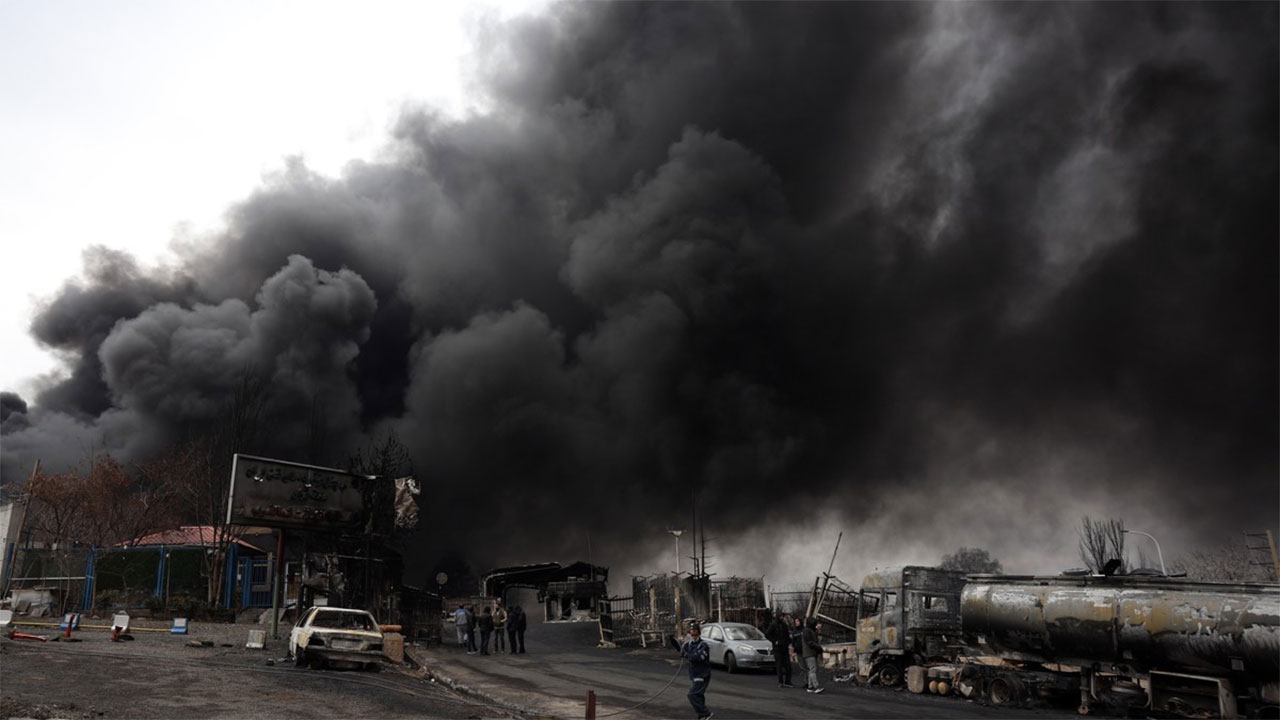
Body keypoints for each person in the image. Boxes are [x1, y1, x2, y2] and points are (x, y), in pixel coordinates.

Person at [680, 622, 713, 720]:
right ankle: (702, 716)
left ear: (698, 632)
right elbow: (681, 652)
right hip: (694, 674)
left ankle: (706, 713)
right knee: (699, 695)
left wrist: (687, 655)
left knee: (692, 695)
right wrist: (681, 646)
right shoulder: (689, 644)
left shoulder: (703, 645)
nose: (693, 633)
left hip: (703, 674)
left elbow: (699, 657)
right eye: (691, 631)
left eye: (694, 631)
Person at [765, 611, 794, 688]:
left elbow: (787, 636)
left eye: (783, 616)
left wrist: (789, 641)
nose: (782, 618)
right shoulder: (773, 625)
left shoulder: (784, 625)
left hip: (784, 647)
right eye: (781, 616)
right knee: (779, 665)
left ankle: (788, 681)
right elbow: (767, 634)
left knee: (788, 666)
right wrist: (774, 641)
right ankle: (780, 681)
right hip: (777, 648)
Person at [802, 616, 825, 694]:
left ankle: (810, 686)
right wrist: (818, 647)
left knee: (811, 670)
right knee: (813, 670)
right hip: (809, 653)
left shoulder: (809, 630)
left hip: (810, 653)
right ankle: (816, 686)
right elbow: (810, 642)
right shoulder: (807, 631)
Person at [790, 616, 805, 684]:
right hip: (798, 651)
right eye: (795, 621)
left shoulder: (804, 630)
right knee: (802, 667)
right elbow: (793, 642)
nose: (796, 623)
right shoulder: (795, 631)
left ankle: (808, 682)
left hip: (805, 650)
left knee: (806, 666)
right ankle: (806, 681)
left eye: (798, 621)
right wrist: (793, 651)